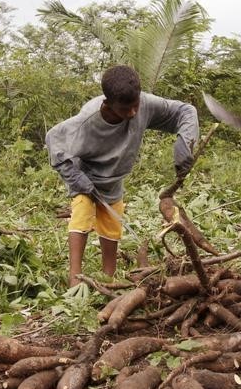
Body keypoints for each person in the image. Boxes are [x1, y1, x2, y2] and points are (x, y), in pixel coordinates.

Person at [46, 65, 199, 288]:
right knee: (82, 215)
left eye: (135, 106)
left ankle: (108, 278)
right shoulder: (87, 120)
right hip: (86, 176)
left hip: (114, 179)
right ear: (108, 104)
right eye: (125, 109)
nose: (133, 113)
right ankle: (74, 280)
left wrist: (185, 142)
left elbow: (185, 111)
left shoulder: (143, 103)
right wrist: (75, 177)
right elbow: (53, 139)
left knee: (111, 226)